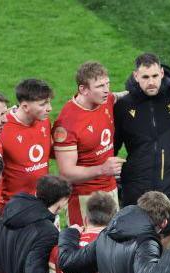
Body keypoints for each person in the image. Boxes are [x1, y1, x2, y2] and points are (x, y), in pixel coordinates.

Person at [113, 53, 170, 233]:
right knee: (139, 236)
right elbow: (111, 148)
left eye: (155, 76)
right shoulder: (123, 106)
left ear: (162, 73)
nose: (151, 82)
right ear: (136, 76)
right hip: (137, 185)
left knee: (168, 232)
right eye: (145, 77)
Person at [53, 61, 124, 227]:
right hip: (84, 197)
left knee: (111, 244)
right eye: (100, 86)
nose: (106, 90)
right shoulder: (67, 123)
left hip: (110, 190)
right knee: (85, 247)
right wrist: (102, 169)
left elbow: (120, 95)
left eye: (107, 84)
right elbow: (66, 173)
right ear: (83, 89)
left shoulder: (105, 100)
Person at [0, 79, 55, 211]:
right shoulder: (1, 128)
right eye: (43, 104)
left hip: (44, 203)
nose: (49, 108)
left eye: (49, 102)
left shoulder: (43, 120)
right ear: (25, 106)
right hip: (14, 208)